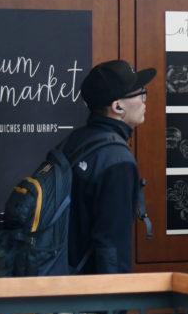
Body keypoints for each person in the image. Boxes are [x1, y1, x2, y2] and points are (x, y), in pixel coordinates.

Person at [65, 59, 154, 274]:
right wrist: (114, 303)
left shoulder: (76, 140)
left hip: (60, 282)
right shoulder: (117, 160)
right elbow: (112, 243)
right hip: (90, 296)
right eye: (141, 93)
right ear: (117, 106)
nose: (145, 102)